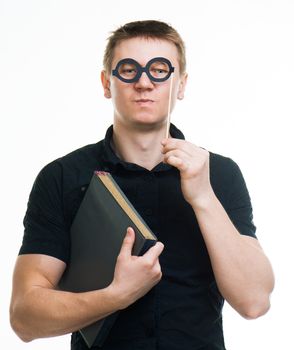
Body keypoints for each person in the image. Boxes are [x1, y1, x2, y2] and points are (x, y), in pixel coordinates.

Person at [10, 20, 274, 350]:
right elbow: (24, 317)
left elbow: (255, 301)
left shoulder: (219, 174)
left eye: (160, 69)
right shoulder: (63, 177)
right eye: (128, 69)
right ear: (107, 83)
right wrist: (114, 297)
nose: (144, 82)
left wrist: (204, 197)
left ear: (181, 84)